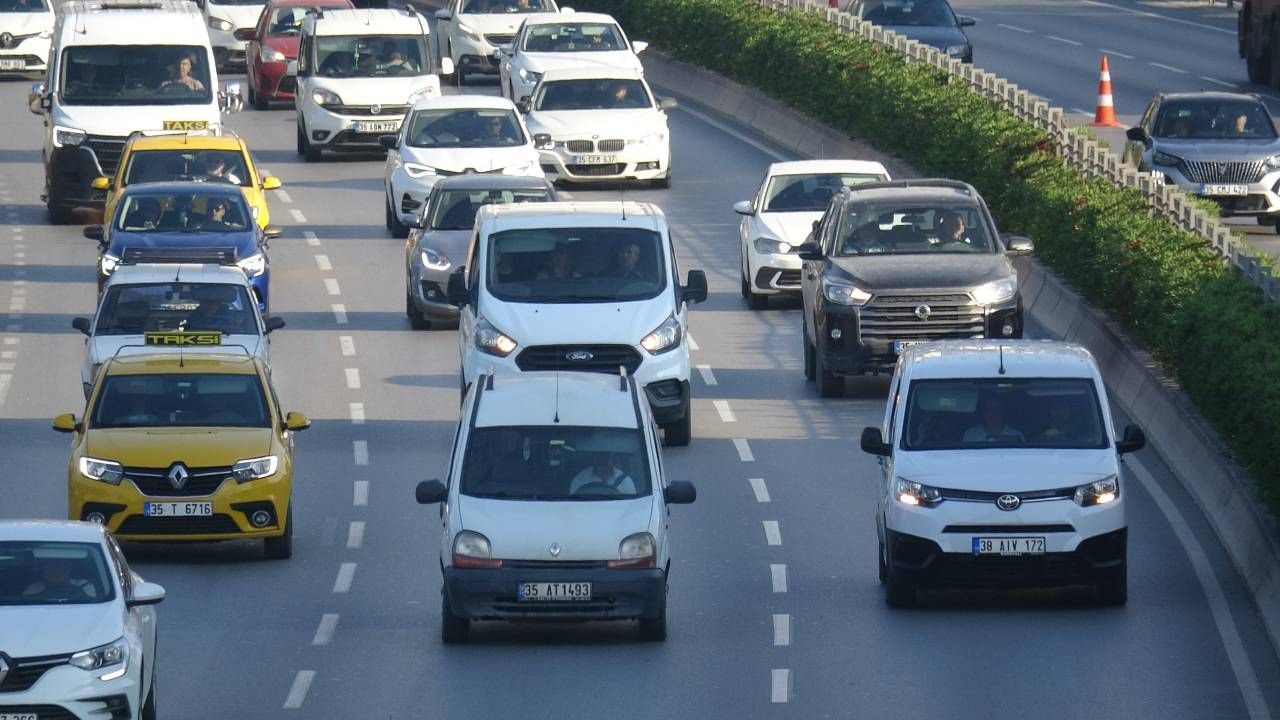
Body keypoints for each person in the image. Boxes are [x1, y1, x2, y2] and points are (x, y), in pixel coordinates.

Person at [23, 558, 95, 601]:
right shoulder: (34, 588)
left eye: (55, 568)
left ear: (67, 570)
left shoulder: (84, 586)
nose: (50, 572)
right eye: (46, 567)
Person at [569, 452, 635, 495]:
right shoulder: (580, 479)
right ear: (594, 458)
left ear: (612, 458)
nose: (603, 459)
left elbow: (632, 506)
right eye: (600, 455)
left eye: (606, 456)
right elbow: (573, 505)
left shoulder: (625, 481)